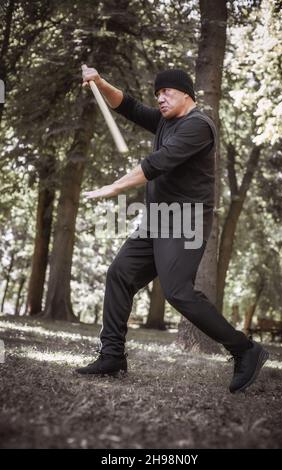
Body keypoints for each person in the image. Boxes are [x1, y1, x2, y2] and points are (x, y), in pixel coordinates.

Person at [76, 66, 269, 393]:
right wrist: (98, 80)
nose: (160, 98)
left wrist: (115, 187)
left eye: (166, 91)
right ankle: (112, 355)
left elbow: (157, 164)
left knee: (178, 290)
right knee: (119, 274)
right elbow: (128, 106)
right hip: (156, 218)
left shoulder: (198, 126)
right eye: (157, 93)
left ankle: (245, 349)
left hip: (186, 220)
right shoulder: (166, 120)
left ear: (186, 94)